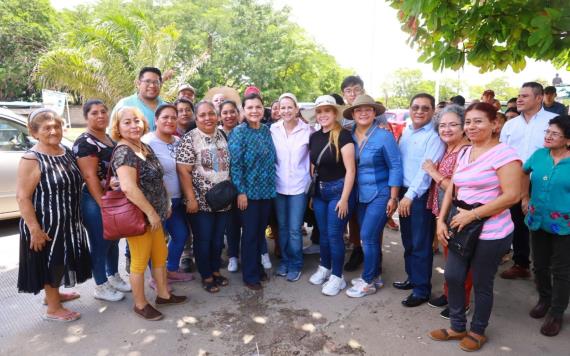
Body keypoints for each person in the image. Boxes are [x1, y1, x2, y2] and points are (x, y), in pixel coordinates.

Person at [429, 102, 521, 352]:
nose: (472, 126)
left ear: (494, 124)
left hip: (492, 231)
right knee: (454, 275)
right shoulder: (463, 152)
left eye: (478, 121)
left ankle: (478, 330)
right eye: (468, 121)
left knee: (481, 282)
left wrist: (473, 215)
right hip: (461, 224)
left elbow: (512, 195)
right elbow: (453, 188)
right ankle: (458, 325)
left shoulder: (505, 154)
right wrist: (441, 220)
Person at [110, 107, 187, 321]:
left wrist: (167, 202)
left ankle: (163, 294)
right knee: (140, 261)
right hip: (139, 217)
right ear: (117, 127)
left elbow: (158, 177)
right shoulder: (123, 151)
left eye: (137, 121)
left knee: (160, 255)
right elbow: (128, 188)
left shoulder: (142, 146)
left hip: (156, 213)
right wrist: (152, 213)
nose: (134, 125)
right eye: (127, 122)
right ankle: (140, 304)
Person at [17, 108, 92, 322]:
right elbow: (23, 197)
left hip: (67, 221)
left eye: (57, 126)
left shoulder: (65, 151)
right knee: (52, 262)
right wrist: (35, 230)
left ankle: (54, 296)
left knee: (61, 260)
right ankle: (52, 309)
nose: (53, 131)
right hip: (45, 224)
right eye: (47, 128)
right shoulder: (32, 158)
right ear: (34, 133)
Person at [342, 94, 402, 298]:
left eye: (368, 109)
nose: (363, 113)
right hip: (359, 194)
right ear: (353, 114)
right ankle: (375, 276)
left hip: (381, 193)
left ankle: (367, 281)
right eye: (359, 110)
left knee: (367, 236)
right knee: (371, 237)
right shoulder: (348, 132)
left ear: (374, 112)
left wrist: (393, 197)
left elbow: (395, 166)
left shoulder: (384, 135)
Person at [499, 82, 557, 280]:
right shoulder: (510, 124)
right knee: (517, 222)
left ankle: (548, 269)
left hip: (546, 182)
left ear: (539, 98)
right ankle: (521, 263)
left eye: (525, 96)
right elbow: (502, 153)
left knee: (546, 223)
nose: (519, 99)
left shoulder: (554, 121)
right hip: (514, 180)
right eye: (519, 95)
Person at [73, 100, 130, 302]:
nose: (100, 116)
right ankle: (100, 285)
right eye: (94, 113)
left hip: (112, 197)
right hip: (94, 200)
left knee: (113, 239)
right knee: (100, 242)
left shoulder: (109, 138)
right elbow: (90, 178)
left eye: (103, 111)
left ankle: (113, 275)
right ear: (86, 117)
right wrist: (103, 205)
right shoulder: (85, 143)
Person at [395, 93, 445, 307]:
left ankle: (422, 289)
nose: (419, 111)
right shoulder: (406, 131)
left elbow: (425, 172)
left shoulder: (433, 137)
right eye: (416, 107)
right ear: (410, 108)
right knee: (408, 241)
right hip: (404, 192)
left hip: (417, 195)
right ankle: (413, 278)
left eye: (425, 108)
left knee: (420, 243)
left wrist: (409, 196)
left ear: (432, 111)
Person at [177, 101, 232, 293]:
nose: (207, 118)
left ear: (217, 116)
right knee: (204, 239)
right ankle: (206, 275)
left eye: (211, 114)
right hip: (200, 202)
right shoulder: (189, 138)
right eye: (202, 115)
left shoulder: (222, 135)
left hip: (223, 201)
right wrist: (190, 198)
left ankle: (216, 270)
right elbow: (184, 171)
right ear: (196, 118)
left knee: (218, 240)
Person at [522, 116, 570, 337]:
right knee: (539, 265)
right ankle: (544, 299)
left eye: (554, 133)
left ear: (567, 140)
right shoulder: (539, 155)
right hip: (537, 219)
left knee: (561, 270)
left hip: (565, 226)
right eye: (547, 132)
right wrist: (524, 197)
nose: (548, 136)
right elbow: (524, 172)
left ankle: (556, 312)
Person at [422, 104, 471, 319]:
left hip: (458, 213)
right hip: (443, 211)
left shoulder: (466, 151)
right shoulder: (447, 147)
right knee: (449, 259)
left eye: (453, 125)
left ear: (463, 127)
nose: (446, 129)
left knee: (460, 261)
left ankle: (461, 302)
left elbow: (458, 187)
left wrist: (433, 172)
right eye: (442, 125)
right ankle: (449, 294)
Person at [305, 95, 356, 296]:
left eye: (327, 111)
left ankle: (337, 276)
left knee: (335, 235)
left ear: (335, 113)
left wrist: (344, 199)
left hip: (339, 190)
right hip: (320, 192)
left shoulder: (343, 135)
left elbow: (351, 170)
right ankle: (325, 267)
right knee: (323, 234)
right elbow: (313, 165)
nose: (323, 115)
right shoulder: (314, 137)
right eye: (319, 111)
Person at [228, 93, 276, 291]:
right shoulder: (239, 132)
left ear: (262, 108)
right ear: (243, 111)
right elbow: (235, 165)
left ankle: (256, 267)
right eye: (250, 108)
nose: (254, 111)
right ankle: (250, 275)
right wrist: (241, 192)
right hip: (247, 193)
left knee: (259, 233)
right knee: (249, 234)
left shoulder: (266, 130)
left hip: (267, 191)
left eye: (258, 107)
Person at [142, 104, 194, 284]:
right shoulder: (147, 143)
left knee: (180, 235)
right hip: (158, 202)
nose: (170, 121)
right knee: (156, 242)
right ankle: (156, 279)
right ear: (156, 120)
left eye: (173, 117)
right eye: (165, 117)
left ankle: (170, 269)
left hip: (178, 199)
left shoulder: (178, 141)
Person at [270, 93, 313, 282]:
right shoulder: (273, 129)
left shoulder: (308, 130)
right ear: (278, 110)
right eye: (283, 107)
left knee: (295, 228)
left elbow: (313, 159)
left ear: (296, 109)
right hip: (279, 185)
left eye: (290, 107)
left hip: (298, 187)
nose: (286, 111)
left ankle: (296, 263)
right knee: (283, 227)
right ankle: (285, 261)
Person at [219, 100, 242, 272]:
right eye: (225, 112)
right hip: (225, 187)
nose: (229, 116)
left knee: (251, 222)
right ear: (220, 116)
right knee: (231, 223)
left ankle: (261, 252)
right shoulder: (216, 135)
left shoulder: (244, 131)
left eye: (232, 112)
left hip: (245, 184)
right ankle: (233, 255)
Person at [110, 67, 166, 131]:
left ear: (160, 84)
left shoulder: (167, 107)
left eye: (156, 82)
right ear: (138, 83)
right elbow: (113, 132)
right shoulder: (124, 104)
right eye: (147, 81)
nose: (152, 85)